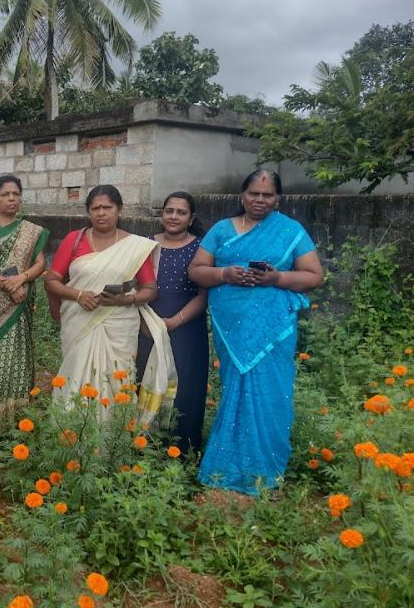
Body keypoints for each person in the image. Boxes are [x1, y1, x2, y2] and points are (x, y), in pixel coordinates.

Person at [189, 169, 323, 495]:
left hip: (273, 331)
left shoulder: (290, 230)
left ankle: (265, 471)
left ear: (278, 199)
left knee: (270, 392)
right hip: (231, 330)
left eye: (267, 195)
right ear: (242, 195)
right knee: (234, 391)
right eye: (253, 193)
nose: (259, 200)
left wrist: (277, 278)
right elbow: (196, 270)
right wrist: (225, 274)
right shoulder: (222, 229)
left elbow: (314, 276)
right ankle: (226, 468)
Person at [44, 185, 176, 427]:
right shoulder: (74, 240)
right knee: (75, 379)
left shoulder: (134, 246)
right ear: (88, 212)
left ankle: (113, 440)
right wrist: (78, 295)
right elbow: (51, 280)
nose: (101, 213)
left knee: (117, 381)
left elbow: (150, 289)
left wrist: (126, 299)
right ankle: (70, 437)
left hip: (120, 325)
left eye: (107, 207)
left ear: (119, 210)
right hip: (80, 322)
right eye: (95, 208)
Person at [136, 192, 209, 454]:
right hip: (146, 328)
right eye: (169, 211)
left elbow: (203, 295)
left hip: (186, 330)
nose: (174, 216)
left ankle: (180, 452)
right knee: (142, 383)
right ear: (162, 214)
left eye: (181, 212)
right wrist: (144, 322)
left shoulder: (201, 248)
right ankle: (141, 450)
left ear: (191, 218)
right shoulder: (145, 245)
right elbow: (133, 285)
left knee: (184, 388)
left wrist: (174, 322)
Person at [0, 175, 49, 436]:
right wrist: (9, 285)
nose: (11, 199)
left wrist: (22, 278)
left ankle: (17, 420)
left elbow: (40, 263)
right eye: (5, 194)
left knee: (19, 356)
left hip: (19, 307)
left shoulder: (30, 230)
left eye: (16, 194)